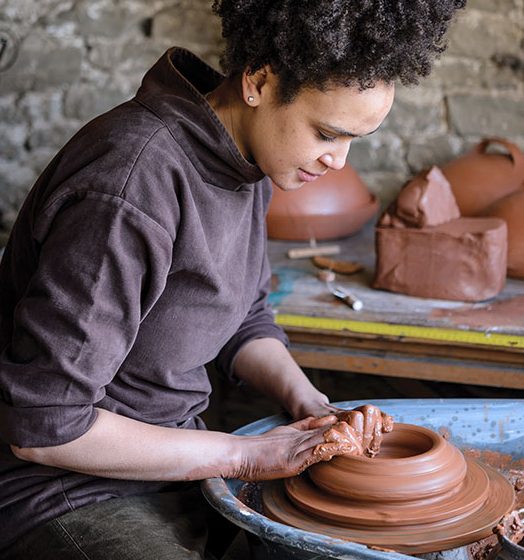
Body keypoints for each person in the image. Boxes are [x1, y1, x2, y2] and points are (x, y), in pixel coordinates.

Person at [0, 0, 465, 558]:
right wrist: (244, 457)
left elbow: (244, 315)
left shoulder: (252, 158)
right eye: (326, 133)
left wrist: (310, 403)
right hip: (67, 489)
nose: (337, 161)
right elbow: (44, 424)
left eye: (353, 142)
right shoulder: (132, 183)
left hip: (179, 462)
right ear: (259, 82)